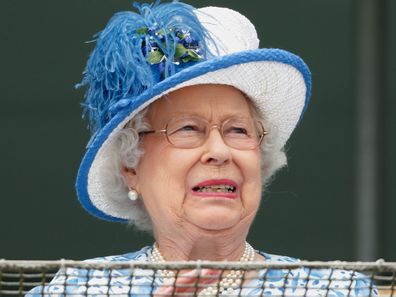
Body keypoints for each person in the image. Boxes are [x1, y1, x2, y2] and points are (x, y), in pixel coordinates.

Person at [27, 1, 377, 296]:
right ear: (131, 167)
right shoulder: (80, 289)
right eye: (188, 129)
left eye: (238, 130)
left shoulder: (336, 290)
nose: (219, 151)